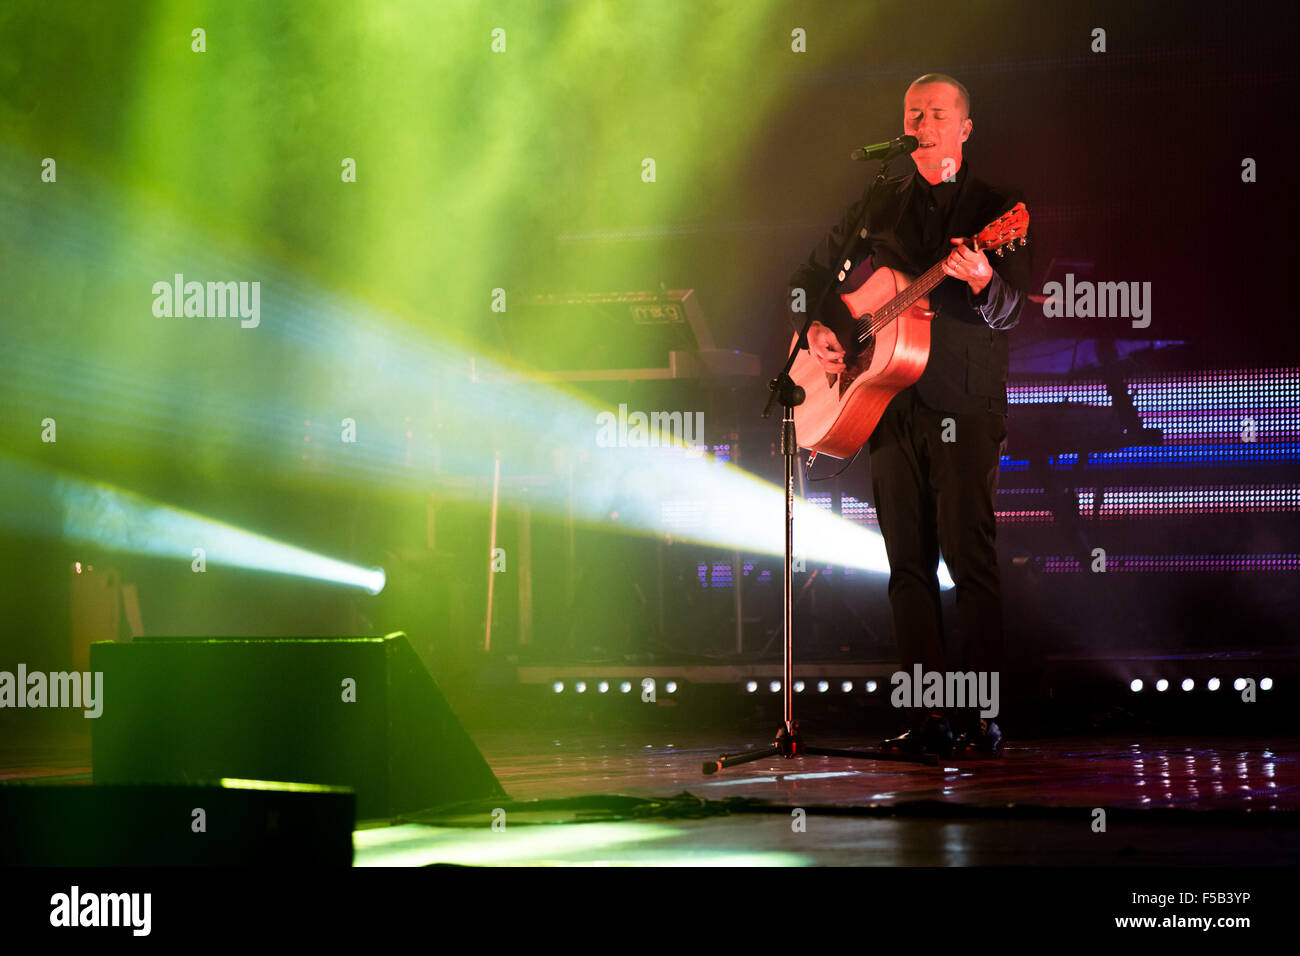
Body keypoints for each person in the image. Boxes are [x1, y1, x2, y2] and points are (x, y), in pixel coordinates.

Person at [787, 73, 1030, 756]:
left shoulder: (997, 208)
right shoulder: (878, 202)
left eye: (936, 113)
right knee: (907, 566)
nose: (922, 122)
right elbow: (810, 276)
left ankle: (981, 716)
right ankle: (925, 717)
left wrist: (983, 279)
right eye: (913, 113)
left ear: (964, 127)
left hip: (965, 401)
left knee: (968, 558)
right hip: (886, 401)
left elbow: (1013, 308)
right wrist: (819, 330)